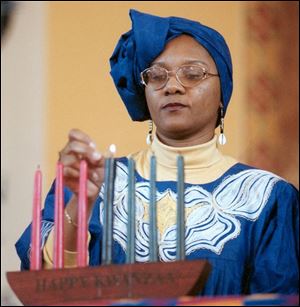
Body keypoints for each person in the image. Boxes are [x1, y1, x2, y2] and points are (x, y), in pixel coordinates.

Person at [16, 9, 299, 295]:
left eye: (192, 74)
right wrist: (81, 203)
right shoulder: (96, 182)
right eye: (157, 76)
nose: (172, 86)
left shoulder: (266, 197)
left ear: (222, 94)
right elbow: (49, 290)